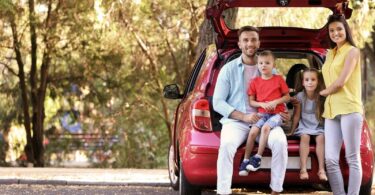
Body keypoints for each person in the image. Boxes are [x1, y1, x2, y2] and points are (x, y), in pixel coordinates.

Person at [213, 26, 288, 195]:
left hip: (266, 119)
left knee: (280, 142)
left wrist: (283, 114)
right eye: (245, 40)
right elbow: (218, 102)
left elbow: (279, 98)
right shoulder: (228, 69)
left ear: (259, 43)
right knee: (226, 146)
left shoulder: (270, 70)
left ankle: (276, 190)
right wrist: (243, 116)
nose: (250, 43)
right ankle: (223, 192)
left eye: (253, 39)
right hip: (236, 122)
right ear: (239, 44)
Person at [319, 14, 363, 195]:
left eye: (339, 29)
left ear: (346, 30)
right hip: (331, 111)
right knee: (330, 160)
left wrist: (320, 93)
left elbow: (340, 81)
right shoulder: (330, 54)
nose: (335, 33)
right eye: (331, 30)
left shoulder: (352, 51)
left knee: (352, 158)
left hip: (349, 109)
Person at [238, 50, 290, 176]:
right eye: (261, 63)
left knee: (266, 128)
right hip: (262, 113)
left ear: (274, 65)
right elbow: (251, 102)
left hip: (277, 114)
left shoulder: (278, 79)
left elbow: (287, 97)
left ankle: (258, 157)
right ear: (257, 65)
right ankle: (245, 161)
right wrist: (261, 104)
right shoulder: (255, 82)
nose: (263, 65)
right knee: (253, 132)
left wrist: (276, 102)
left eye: (267, 63)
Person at [289, 68, 327, 181]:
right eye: (307, 80)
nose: (310, 82)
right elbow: (296, 115)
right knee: (304, 137)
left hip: (318, 125)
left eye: (313, 79)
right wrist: (292, 130)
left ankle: (321, 169)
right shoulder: (300, 96)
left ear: (318, 81)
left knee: (321, 138)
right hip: (304, 125)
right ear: (303, 82)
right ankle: (303, 169)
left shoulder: (321, 96)